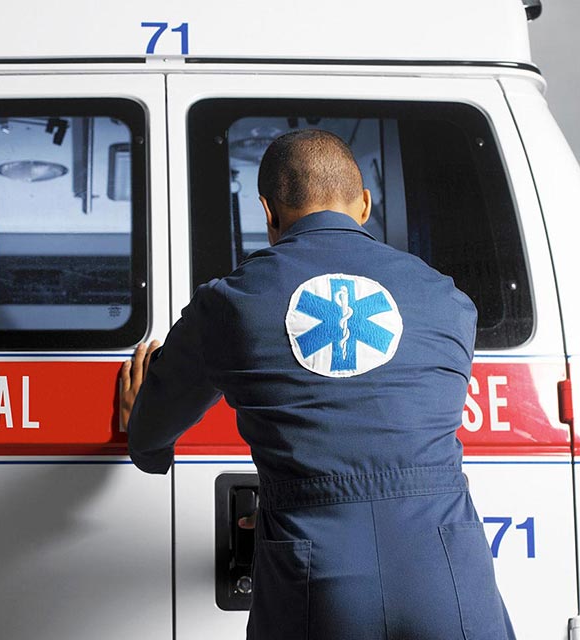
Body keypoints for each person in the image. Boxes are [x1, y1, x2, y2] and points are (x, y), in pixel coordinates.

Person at [119, 129, 515, 639]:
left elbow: (152, 433)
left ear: (267, 212)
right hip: (448, 570)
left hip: (314, 576)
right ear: (366, 204)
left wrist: (143, 430)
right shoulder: (447, 300)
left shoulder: (229, 305)